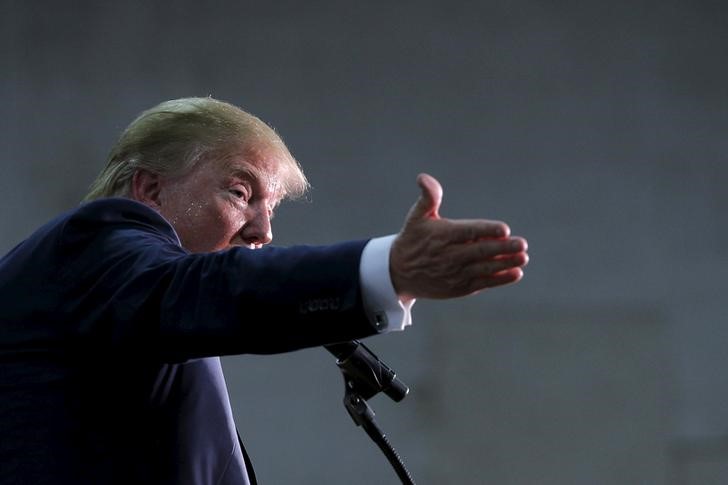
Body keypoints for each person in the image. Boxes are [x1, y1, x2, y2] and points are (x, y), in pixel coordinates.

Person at [0, 97, 528, 484]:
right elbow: (215, 290)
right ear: (150, 189)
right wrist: (384, 270)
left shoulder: (147, 311)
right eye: (240, 192)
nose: (264, 231)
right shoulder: (99, 242)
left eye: (270, 208)